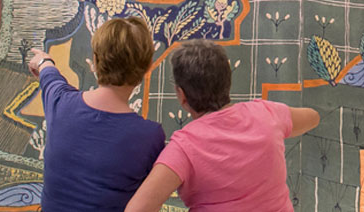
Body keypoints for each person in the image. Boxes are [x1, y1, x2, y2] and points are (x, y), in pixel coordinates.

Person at [124, 40, 321, 212]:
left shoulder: (183, 148)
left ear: (182, 95)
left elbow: (137, 208)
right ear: (228, 79)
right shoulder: (268, 114)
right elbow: (313, 117)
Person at [23, 18, 167, 211]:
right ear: (147, 66)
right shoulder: (150, 136)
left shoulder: (60, 101)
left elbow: (49, 73)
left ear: (95, 62)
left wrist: (43, 61)